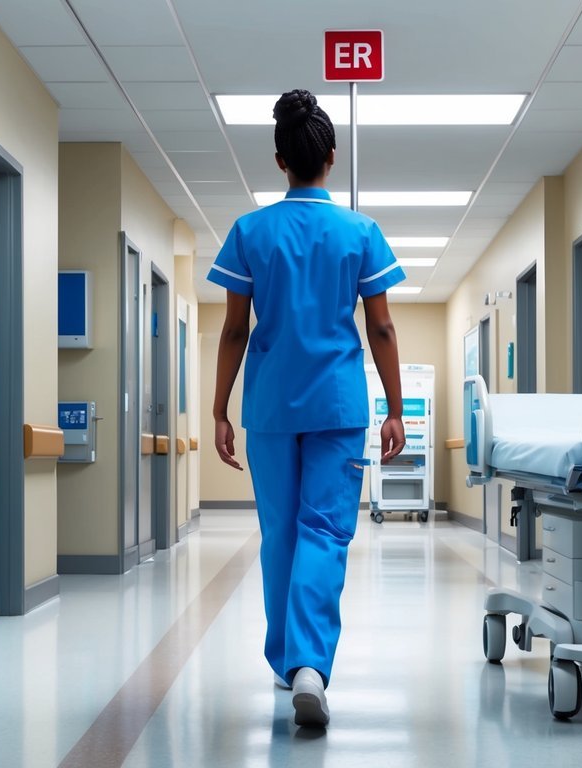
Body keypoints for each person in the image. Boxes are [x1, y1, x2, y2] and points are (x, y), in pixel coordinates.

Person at [208, 89, 406, 728]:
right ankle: (311, 667)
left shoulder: (250, 232)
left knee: (282, 535)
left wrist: (219, 408)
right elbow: (380, 330)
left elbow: (236, 331)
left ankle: (289, 663)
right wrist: (395, 409)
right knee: (325, 532)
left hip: (269, 408)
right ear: (331, 156)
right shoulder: (360, 232)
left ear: (279, 161)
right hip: (338, 408)